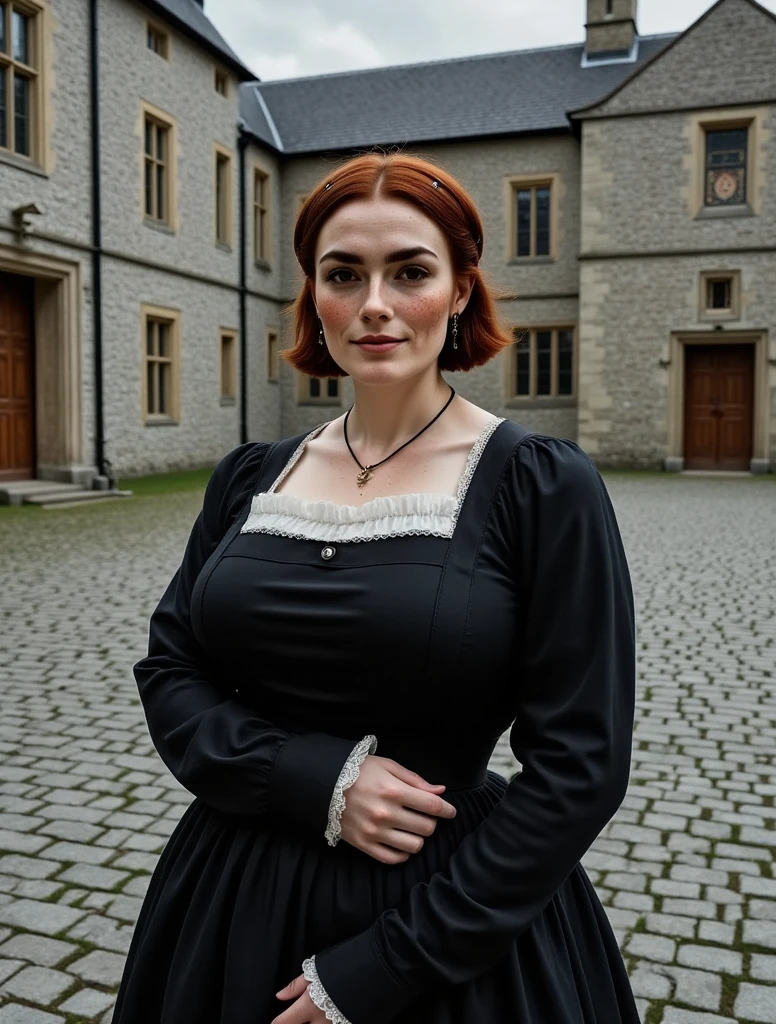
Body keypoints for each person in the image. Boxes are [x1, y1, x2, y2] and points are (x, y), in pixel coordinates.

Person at [111, 151, 640, 1024]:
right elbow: (172, 671)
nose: (375, 305)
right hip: (232, 892)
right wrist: (306, 775)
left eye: (411, 271)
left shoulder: (540, 484)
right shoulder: (253, 477)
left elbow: (581, 765)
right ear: (314, 295)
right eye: (343, 274)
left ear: (463, 289)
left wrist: (389, 966)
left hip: (444, 914)